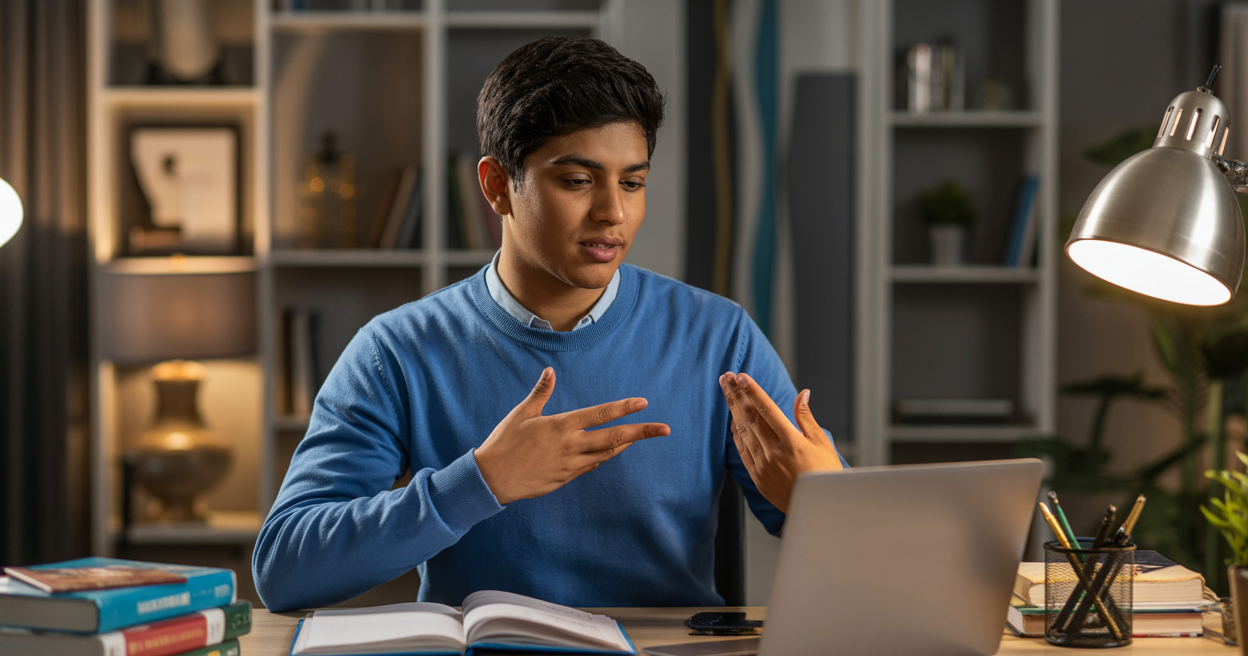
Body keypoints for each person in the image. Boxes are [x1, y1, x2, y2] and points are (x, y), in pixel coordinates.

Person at [253, 36, 844, 612]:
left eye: (632, 182)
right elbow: (285, 571)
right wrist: (479, 481)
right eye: (578, 180)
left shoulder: (720, 338)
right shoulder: (397, 350)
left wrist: (823, 503)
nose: (613, 211)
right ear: (496, 186)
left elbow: (863, 562)